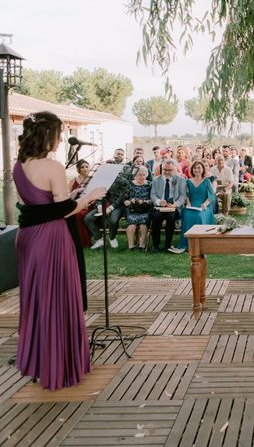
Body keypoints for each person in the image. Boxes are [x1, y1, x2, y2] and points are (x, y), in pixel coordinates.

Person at [13, 111, 106, 390]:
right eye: (58, 133)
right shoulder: (52, 167)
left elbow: (38, 205)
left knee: (38, 300)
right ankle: (61, 365)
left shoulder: (19, 165)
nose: (62, 138)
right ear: (47, 136)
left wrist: (71, 198)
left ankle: (40, 361)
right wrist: (89, 196)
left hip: (28, 237)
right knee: (60, 297)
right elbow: (64, 211)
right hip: (51, 238)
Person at [177, 160, 216, 251]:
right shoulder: (188, 181)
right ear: (192, 169)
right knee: (187, 214)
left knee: (199, 215)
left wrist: (205, 204)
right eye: (195, 168)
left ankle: (201, 242)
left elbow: (211, 196)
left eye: (199, 168)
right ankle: (187, 242)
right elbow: (186, 194)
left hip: (204, 205)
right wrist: (188, 202)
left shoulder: (207, 181)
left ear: (203, 169)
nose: (197, 170)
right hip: (192, 204)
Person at [150, 159, 186, 253]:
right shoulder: (156, 180)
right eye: (164, 169)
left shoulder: (180, 180)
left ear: (174, 169)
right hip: (159, 207)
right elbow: (152, 195)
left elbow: (182, 196)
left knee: (171, 217)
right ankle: (155, 245)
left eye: (169, 170)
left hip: (173, 207)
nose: (166, 172)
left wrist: (176, 204)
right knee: (156, 217)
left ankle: (167, 245)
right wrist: (158, 202)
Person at [124, 165, 152, 250]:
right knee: (131, 225)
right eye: (139, 174)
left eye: (143, 175)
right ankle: (131, 245)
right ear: (135, 175)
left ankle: (142, 244)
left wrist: (146, 202)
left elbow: (152, 199)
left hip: (145, 209)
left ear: (146, 175)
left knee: (143, 225)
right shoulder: (130, 184)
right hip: (132, 209)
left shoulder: (149, 184)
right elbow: (125, 198)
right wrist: (128, 201)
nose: (142, 177)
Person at [68, 159, 93, 247]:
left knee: (80, 215)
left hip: (89, 205)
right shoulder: (73, 181)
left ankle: (85, 242)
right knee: (72, 214)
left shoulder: (92, 180)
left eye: (86, 167)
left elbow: (95, 196)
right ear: (78, 169)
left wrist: (87, 204)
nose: (85, 169)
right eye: (82, 167)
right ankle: (73, 240)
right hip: (76, 205)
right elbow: (68, 197)